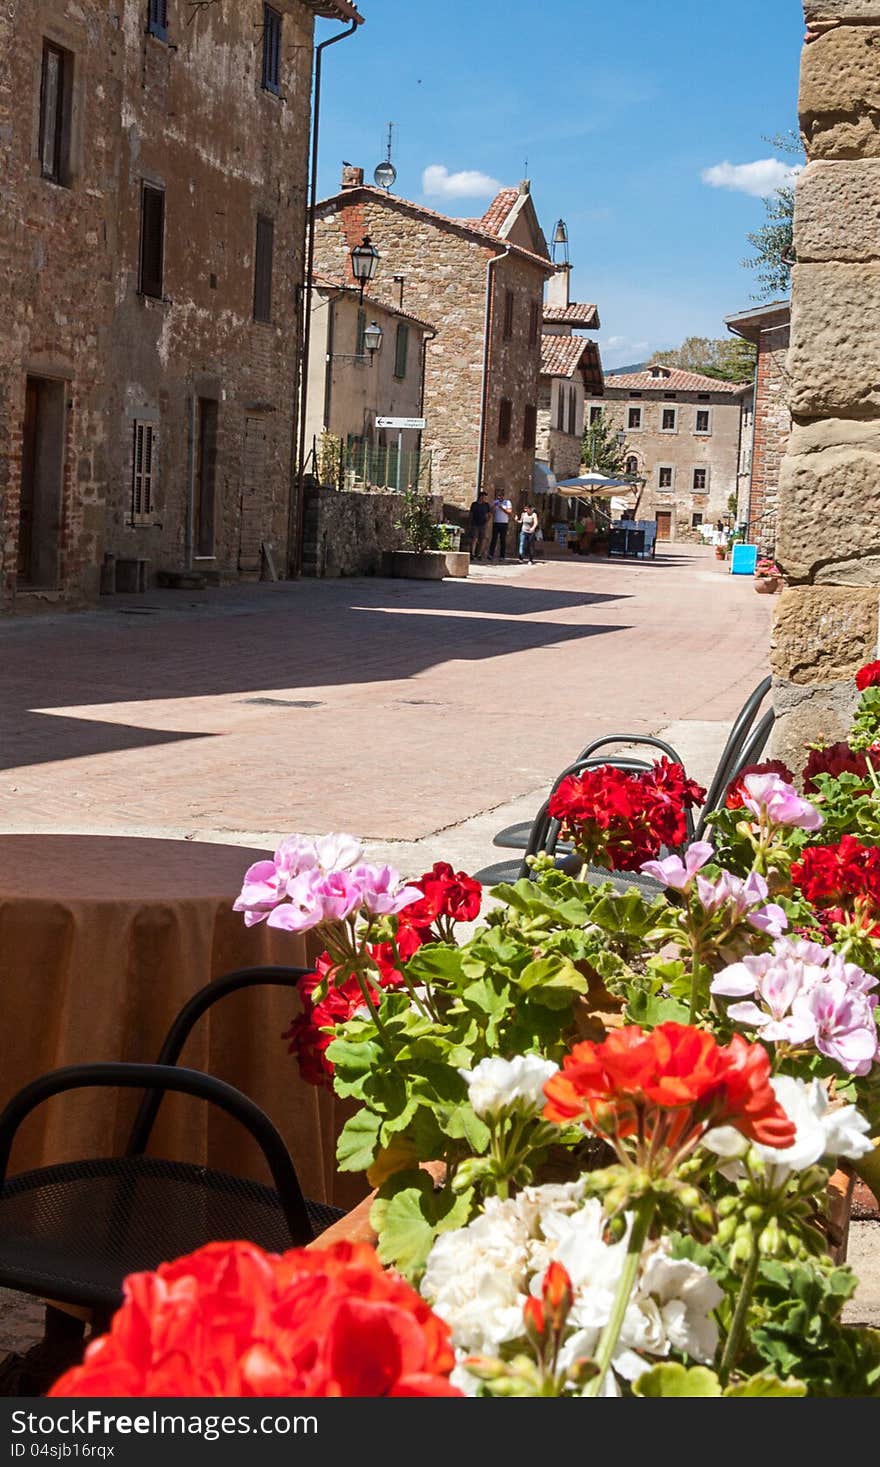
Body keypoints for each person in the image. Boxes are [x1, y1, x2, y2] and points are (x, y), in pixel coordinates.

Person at [488, 489, 514, 561]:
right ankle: (491, 554)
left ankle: (502, 556)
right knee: (494, 539)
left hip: (504, 523)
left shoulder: (507, 502)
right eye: (498, 496)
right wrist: (493, 506)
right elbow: (491, 511)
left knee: (502, 539)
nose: (499, 498)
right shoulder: (495, 502)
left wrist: (501, 508)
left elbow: (509, 512)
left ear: (503, 496)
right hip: (496, 522)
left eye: (500, 496)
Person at [467, 491, 492, 560]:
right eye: (484, 497)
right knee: (474, 539)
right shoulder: (474, 504)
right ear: (481, 497)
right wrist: (470, 523)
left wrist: (487, 521)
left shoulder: (486, 505)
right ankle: (472, 554)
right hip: (475, 524)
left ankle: (479, 554)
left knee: (482, 539)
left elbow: (489, 514)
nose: (485, 499)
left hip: (483, 524)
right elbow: (471, 514)